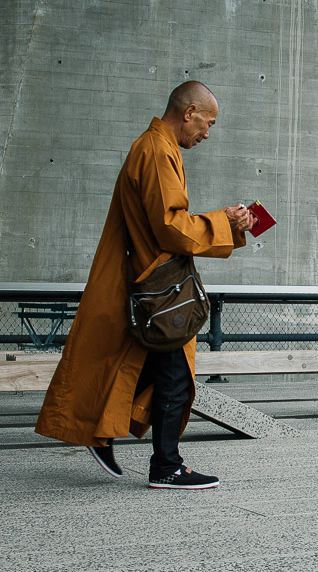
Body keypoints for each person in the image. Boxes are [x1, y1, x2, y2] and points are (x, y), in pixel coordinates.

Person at [36, 81, 257, 490]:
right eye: (207, 123)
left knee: (147, 368)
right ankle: (166, 467)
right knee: (174, 376)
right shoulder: (157, 151)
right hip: (160, 291)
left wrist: (228, 223)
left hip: (150, 286)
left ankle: (101, 431)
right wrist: (225, 222)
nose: (207, 134)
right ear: (189, 112)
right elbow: (172, 227)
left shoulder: (157, 147)